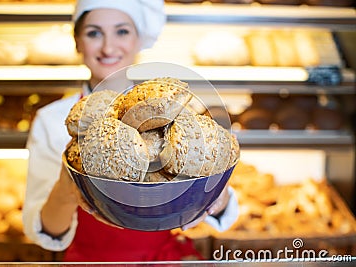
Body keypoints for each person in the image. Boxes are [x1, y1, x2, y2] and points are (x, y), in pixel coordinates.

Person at [22, 0, 238, 262]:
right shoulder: (52, 119)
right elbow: (46, 232)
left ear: (140, 39)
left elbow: (224, 216)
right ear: (77, 41)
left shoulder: (175, 112)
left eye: (122, 31)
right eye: (94, 33)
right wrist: (68, 187)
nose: (108, 47)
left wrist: (213, 188)